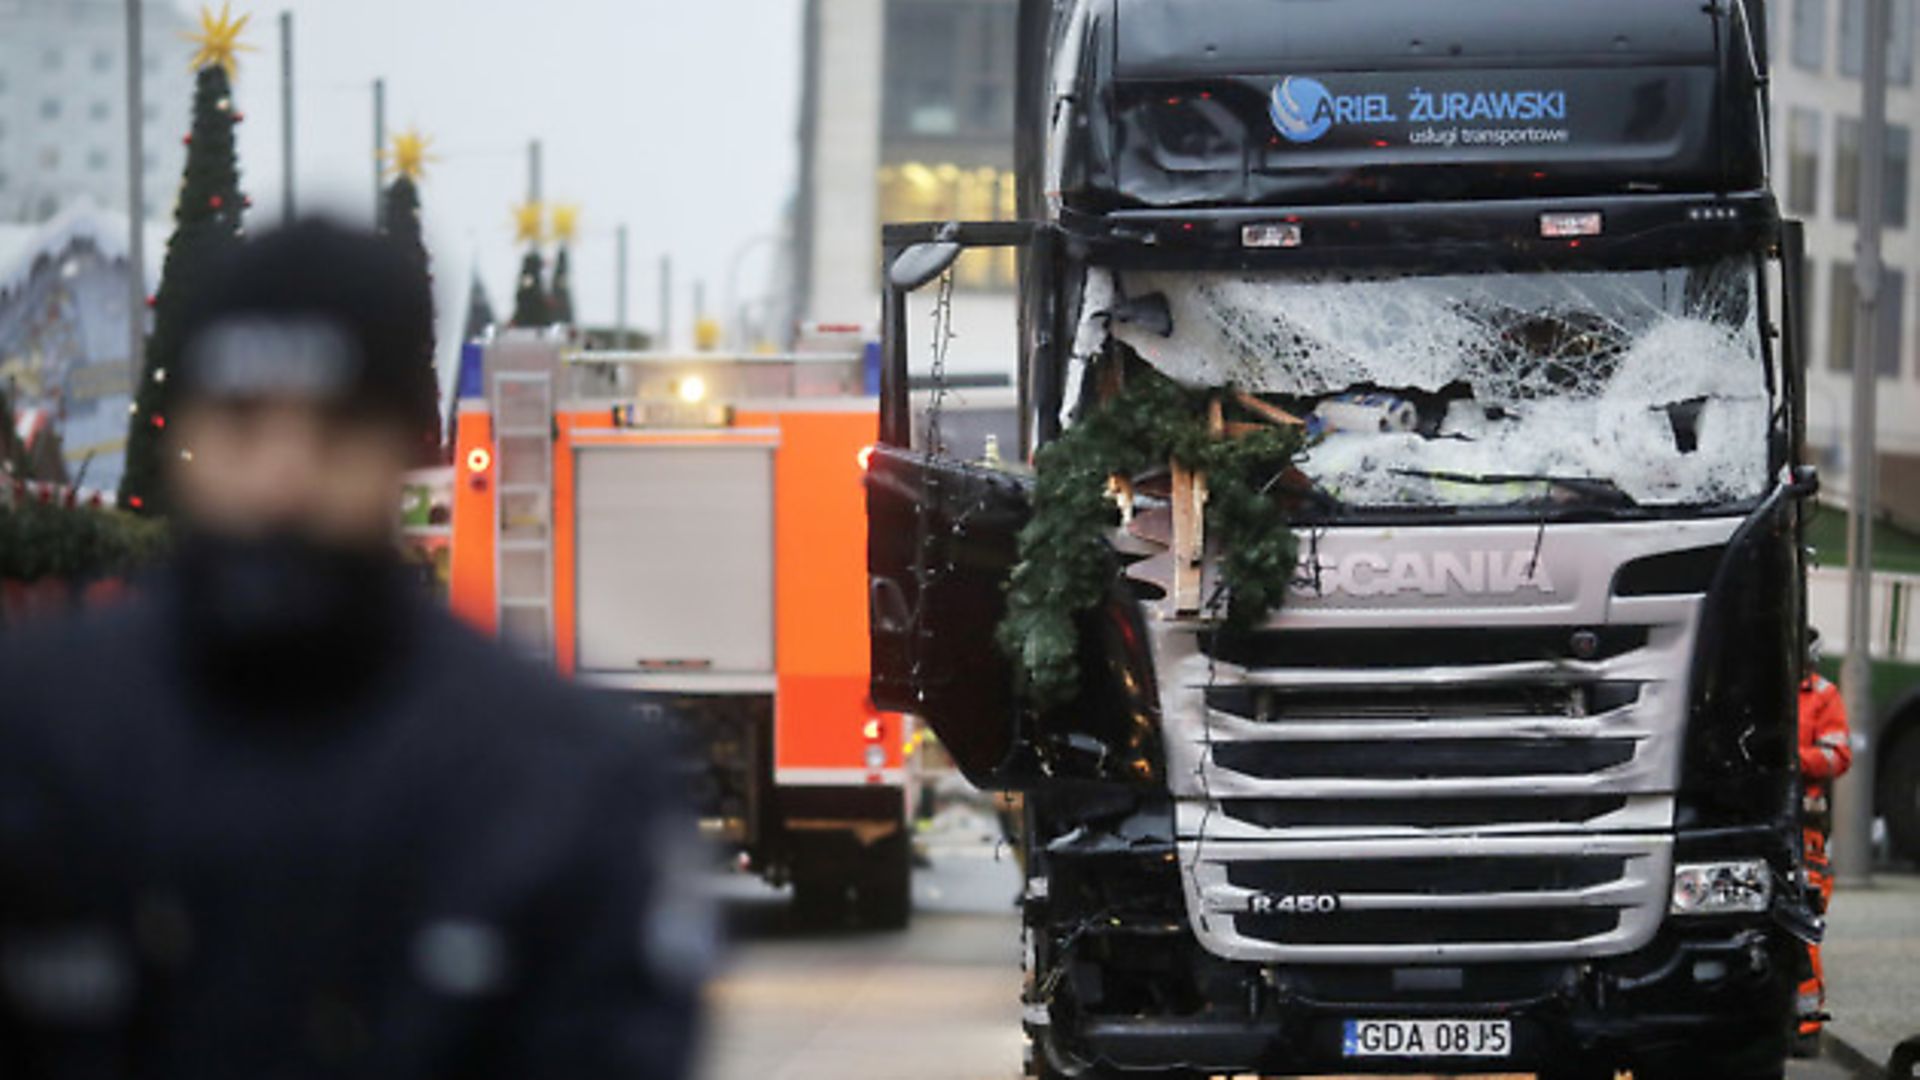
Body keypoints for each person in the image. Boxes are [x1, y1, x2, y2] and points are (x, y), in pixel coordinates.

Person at [0, 220, 711, 1079]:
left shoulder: (562, 780)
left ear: (399, 451)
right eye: (242, 421)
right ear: (181, 434)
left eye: (335, 429)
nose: (284, 475)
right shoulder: (38, 743)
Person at [1796, 627, 1853, 1049]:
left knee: (1803, 924)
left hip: (1805, 826)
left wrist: (1792, 758)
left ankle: (1806, 1024)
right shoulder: (1762, 689)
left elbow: (1838, 756)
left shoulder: (1822, 696)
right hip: (1768, 820)